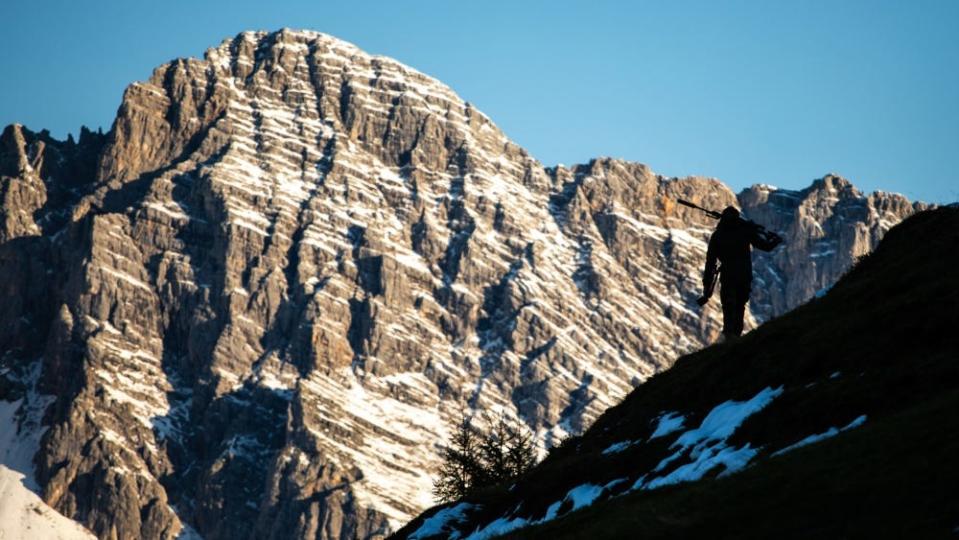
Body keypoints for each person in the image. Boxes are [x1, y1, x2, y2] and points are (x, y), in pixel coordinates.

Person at [698, 206, 782, 340]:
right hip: (744, 275)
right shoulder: (745, 230)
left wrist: (706, 287)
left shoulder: (718, 235)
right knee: (739, 306)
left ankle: (729, 336)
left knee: (728, 305)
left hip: (728, 276)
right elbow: (766, 246)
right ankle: (735, 336)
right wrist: (776, 240)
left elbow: (710, 264)